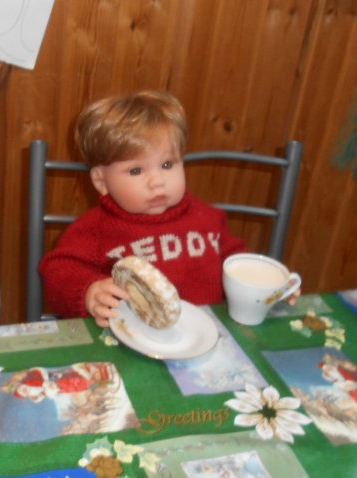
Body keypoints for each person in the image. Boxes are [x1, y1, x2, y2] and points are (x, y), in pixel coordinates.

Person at [39, 90, 246, 327]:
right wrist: (89, 292)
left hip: (207, 335)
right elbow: (58, 273)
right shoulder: (93, 230)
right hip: (128, 338)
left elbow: (237, 262)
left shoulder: (208, 218)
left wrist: (257, 285)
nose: (157, 181)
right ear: (101, 181)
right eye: (136, 170)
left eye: (167, 164)